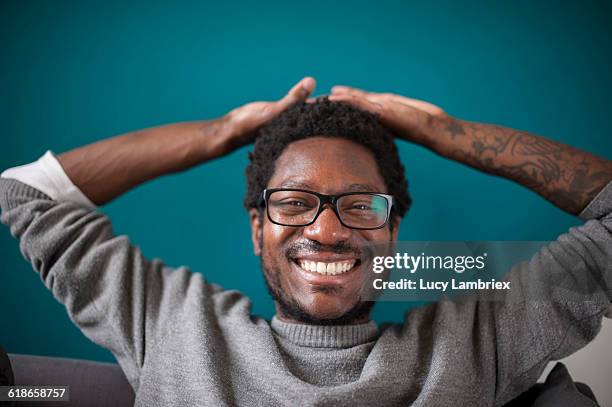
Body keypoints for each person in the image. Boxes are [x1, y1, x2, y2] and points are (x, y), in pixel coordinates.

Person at [0, 77, 610, 406]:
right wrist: (219, 133)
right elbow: (24, 192)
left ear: (392, 229)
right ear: (256, 228)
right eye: (293, 204)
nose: (325, 229)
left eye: (359, 205)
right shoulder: (173, 322)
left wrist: (442, 131)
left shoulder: (472, 343)